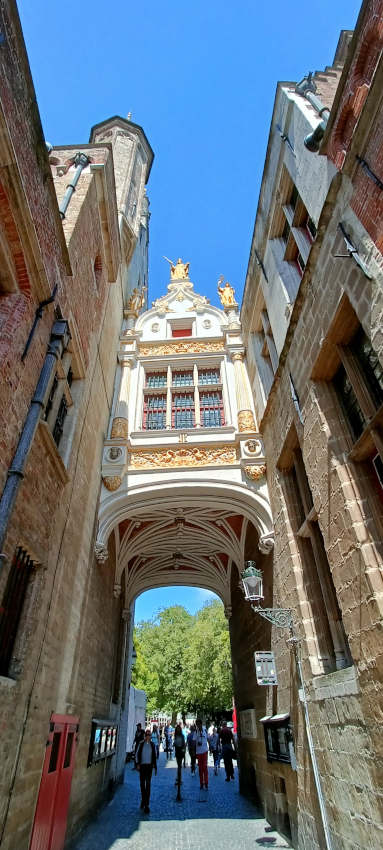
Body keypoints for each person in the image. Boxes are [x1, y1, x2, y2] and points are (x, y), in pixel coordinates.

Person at [136, 729, 157, 813]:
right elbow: (137, 754)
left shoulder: (152, 745)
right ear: (145, 736)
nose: (148, 736)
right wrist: (138, 764)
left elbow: (154, 756)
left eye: (149, 735)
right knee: (142, 784)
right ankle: (143, 800)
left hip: (149, 767)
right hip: (142, 766)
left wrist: (155, 767)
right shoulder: (141, 744)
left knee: (148, 785)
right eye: (147, 735)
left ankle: (146, 804)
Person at [195, 719, 209, 790]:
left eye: (198, 724)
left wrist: (210, 748)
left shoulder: (205, 730)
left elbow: (208, 739)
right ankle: (201, 783)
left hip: (204, 751)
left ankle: (206, 782)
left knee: (205, 768)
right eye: (197, 724)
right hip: (198, 752)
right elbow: (194, 741)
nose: (198, 726)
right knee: (200, 769)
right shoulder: (196, 732)